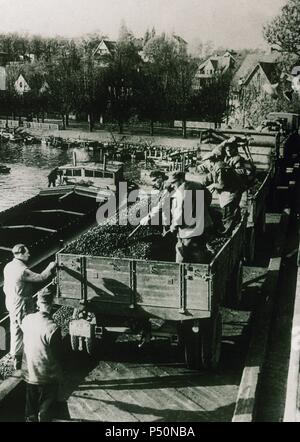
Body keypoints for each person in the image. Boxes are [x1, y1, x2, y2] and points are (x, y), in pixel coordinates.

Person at [3, 244, 56, 370]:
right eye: (27, 253)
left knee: (15, 328)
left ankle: (16, 358)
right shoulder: (22, 271)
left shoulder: (8, 266)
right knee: (28, 330)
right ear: (20, 254)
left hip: (11, 300)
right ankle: (32, 361)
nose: (29, 254)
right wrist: (51, 265)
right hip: (22, 303)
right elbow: (41, 277)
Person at [22, 287, 63, 422]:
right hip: (47, 378)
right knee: (46, 413)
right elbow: (58, 356)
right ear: (51, 304)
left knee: (30, 413)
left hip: (29, 375)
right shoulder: (53, 328)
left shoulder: (27, 320)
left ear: (38, 303)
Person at [168, 171, 213, 263]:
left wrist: (173, 227)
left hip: (190, 230)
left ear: (180, 180)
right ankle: (203, 265)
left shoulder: (180, 193)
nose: (172, 186)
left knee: (181, 250)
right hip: (205, 224)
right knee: (200, 247)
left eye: (173, 182)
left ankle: (178, 271)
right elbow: (208, 197)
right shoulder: (197, 185)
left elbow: (179, 214)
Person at [199, 151, 244, 235]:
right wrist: (202, 184)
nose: (205, 165)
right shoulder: (215, 166)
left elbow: (222, 185)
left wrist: (213, 186)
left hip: (233, 191)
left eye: (205, 162)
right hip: (229, 190)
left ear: (209, 161)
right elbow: (210, 177)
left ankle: (226, 233)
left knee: (228, 211)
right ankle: (235, 221)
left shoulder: (220, 168)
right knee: (230, 210)